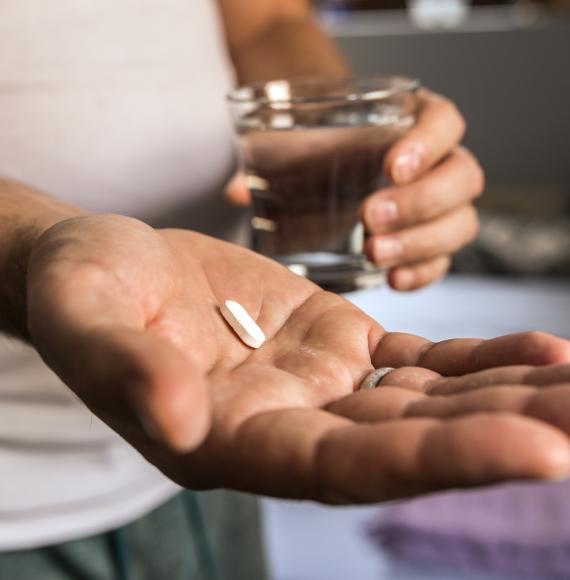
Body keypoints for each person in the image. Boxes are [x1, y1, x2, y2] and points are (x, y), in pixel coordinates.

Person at [1, 1, 569, 579]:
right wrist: (28, 244)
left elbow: (270, 21)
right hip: (16, 500)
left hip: (227, 429)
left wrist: (336, 138)